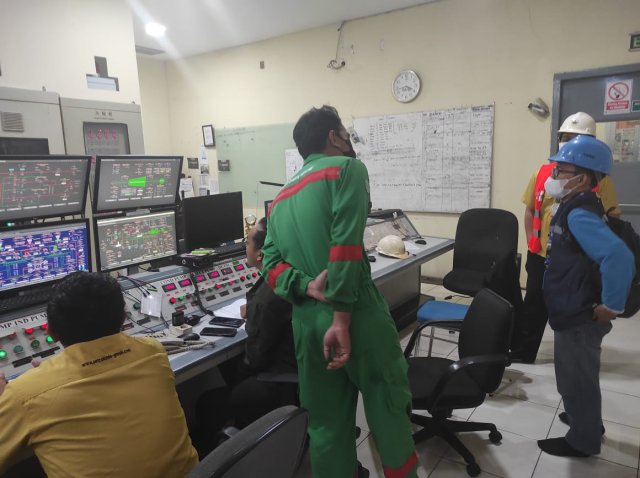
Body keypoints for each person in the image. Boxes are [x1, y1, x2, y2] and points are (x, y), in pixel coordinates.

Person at [262, 105, 418, 478]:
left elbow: (268, 265)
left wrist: (304, 285)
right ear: (334, 137)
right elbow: (345, 244)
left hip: (307, 325)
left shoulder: (279, 201)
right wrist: (342, 319)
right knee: (389, 411)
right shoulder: (347, 170)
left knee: (326, 426)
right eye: (346, 133)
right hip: (355, 316)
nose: (350, 140)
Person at [0, 272, 198, 477]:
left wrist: (12, 396)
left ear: (51, 332)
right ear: (123, 318)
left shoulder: (24, 394)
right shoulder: (153, 350)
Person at [536, 135, 634, 457]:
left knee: (576, 379)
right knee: (580, 375)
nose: (554, 176)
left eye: (560, 170)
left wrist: (612, 305)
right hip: (573, 306)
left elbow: (619, 257)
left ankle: (583, 439)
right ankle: (585, 420)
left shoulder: (579, 213)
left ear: (581, 178)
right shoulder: (577, 204)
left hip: (580, 315)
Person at [510, 112, 621, 363]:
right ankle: (524, 352)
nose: (567, 142)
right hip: (540, 255)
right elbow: (530, 210)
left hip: (576, 260)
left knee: (573, 306)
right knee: (534, 303)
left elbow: (612, 217)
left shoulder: (599, 179)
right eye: (564, 137)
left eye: (575, 138)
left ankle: (574, 355)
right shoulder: (543, 172)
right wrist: (531, 241)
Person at [228, 217, 298, 427]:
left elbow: (255, 357)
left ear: (260, 253)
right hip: (298, 376)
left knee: (210, 401)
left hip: (278, 385)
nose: (245, 246)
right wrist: (254, 307)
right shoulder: (288, 276)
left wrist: (256, 310)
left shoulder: (268, 297)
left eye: (247, 242)